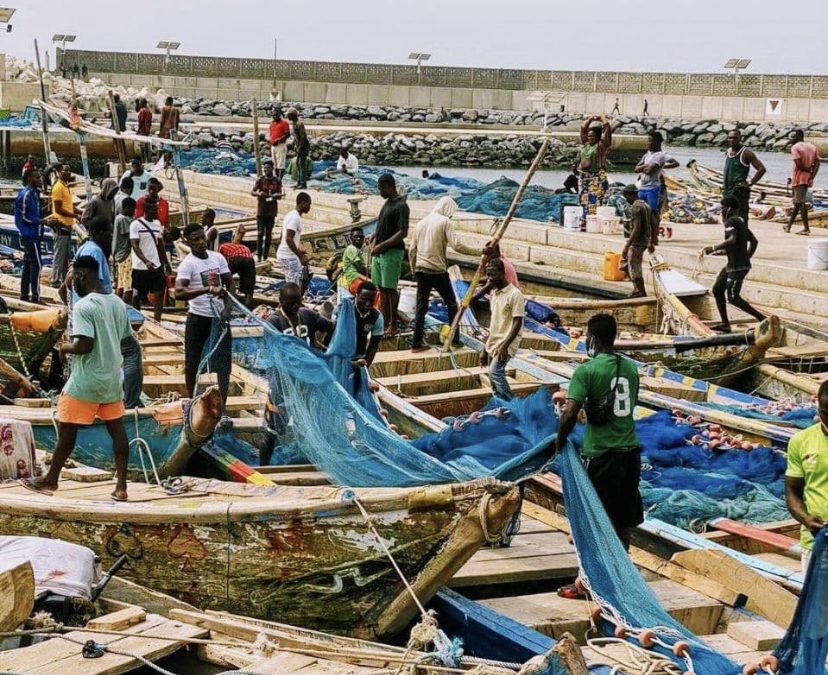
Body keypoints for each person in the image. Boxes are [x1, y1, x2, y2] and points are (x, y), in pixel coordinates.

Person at [20, 255, 131, 501]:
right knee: (117, 430)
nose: (72, 286)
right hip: (112, 377)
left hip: (85, 379)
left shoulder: (84, 306)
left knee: (67, 428)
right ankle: (121, 486)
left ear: (81, 275)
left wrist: (63, 348)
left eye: (72, 279)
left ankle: (51, 479)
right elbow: (124, 338)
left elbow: (84, 345)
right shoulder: (118, 303)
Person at [553, 313, 643, 597]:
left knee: (591, 521)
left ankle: (587, 583)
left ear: (592, 338)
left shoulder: (587, 371)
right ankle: (623, 577)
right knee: (621, 521)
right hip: (630, 455)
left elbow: (569, 413)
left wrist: (559, 441)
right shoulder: (629, 368)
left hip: (602, 456)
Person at [409, 196, 490, 351]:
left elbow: (412, 250)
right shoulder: (445, 222)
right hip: (437, 270)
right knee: (452, 304)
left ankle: (416, 344)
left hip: (421, 269)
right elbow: (457, 245)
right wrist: (480, 251)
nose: (452, 216)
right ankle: (454, 339)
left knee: (421, 307)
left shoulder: (421, 223)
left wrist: (414, 270)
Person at [175, 223, 234, 406]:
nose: (201, 242)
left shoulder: (217, 258)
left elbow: (230, 284)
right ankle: (194, 401)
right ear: (188, 242)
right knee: (192, 365)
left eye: (203, 238)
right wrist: (207, 289)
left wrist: (228, 308)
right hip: (198, 319)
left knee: (223, 365)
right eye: (196, 240)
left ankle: (222, 405)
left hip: (218, 319)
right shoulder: (188, 264)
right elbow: (179, 292)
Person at [785, 379, 828, 575]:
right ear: (818, 408)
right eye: (827, 413)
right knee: (817, 604)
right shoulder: (800, 442)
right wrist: (806, 519)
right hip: (816, 544)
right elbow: (793, 491)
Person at [702, 215, 765, 332]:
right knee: (717, 289)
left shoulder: (731, 222)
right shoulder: (741, 222)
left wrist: (713, 248)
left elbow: (732, 240)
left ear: (727, 208)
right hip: (733, 265)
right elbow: (754, 241)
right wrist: (746, 257)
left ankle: (762, 319)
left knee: (733, 297)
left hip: (737, 267)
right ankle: (725, 323)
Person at [478, 258, 524, 400]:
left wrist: (505, 346)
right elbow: (494, 323)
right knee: (493, 381)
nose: (490, 279)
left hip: (507, 341)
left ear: (503, 273)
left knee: (495, 372)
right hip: (494, 340)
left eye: (493, 275)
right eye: (488, 275)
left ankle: (513, 404)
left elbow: (517, 322)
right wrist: (485, 349)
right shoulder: (494, 294)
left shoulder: (515, 294)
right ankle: (502, 408)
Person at [371, 173, 409, 337]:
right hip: (380, 253)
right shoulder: (387, 203)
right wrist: (374, 236)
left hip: (391, 253)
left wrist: (382, 245)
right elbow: (384, 225)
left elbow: (403, 232)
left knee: (390, 289)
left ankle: (392, 325)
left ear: (387, 185)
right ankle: (384, 324)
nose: (379, 192)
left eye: (380, 188)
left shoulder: (401, 206)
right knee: (382, 288)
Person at [130, 198, 170, 322]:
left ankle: (157, 320)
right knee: (137, 295)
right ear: (146, 210)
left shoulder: (157, 224)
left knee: (159, 292)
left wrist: (166, 263)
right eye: (153, 210)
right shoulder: (136, 225)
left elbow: (160, 244)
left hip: (156, 264)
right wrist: (145, 261)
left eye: (157, 209)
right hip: (141, 267)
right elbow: (135, 245)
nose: (156, 212)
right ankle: (136, 318)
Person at [634, 131, 678, 238]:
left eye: (650, 141)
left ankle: (654, 236)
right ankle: (644, 234)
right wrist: (648, 166)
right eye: (647, 141)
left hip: (654, 187)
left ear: (657, 142)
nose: (647, 143)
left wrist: (661, 167)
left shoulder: (661, 155)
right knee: (641, 211)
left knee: (653, 212)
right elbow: (636, 169)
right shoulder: (647, 155)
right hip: (643, 187)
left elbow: (675, 163)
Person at [268, 282, 334, 348]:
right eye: (290, 303)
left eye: (298, 302)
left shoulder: (307, 314)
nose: (295, 306)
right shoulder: (275, 322)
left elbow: (331, 327)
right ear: (281, 300)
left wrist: (327, 347)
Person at [14, 168, 44, 304]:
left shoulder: (35, 194)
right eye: (38, 178)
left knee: (28, 264)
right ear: (31, 179)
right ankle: (36, 296)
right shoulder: (25, 195)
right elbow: (25, 216)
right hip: (29, 235)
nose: (41, 180)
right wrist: (42, 221)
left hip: (35, 234)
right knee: (37, 264)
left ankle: (24, 294)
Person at [722, 129, 766, 223]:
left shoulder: (746, 153)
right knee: (726, 218)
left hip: (740, 193)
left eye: (734, 138)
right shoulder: (727, 152)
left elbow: (761, 169)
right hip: (727, 191)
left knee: (741, 220)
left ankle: (743, 236)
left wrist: (750, 183)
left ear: (740, 139)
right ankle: (733, 237)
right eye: (730, 138)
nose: (732, 140)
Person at [50, 164, 82, 288]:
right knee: (59, 254)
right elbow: (58, 209)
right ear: (59, 172)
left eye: (69, 170)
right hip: (61, 224)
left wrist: (80, 212)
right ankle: (55, 279)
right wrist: (74, 215)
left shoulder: (66, 186)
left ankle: (63, 279)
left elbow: (69, 206)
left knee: (65, 255)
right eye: (65, 171)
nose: (68, 173)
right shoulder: (58, 187)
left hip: (68, 225)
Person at [785, 129, 820, 235]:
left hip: (799, 179)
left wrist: (807, 170)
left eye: (794, 137)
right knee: (797, 203)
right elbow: (817, 163)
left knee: (800, 203)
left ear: (798, 136)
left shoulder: (795, 147)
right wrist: (811, 176)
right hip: (806, 178)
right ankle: (788, 226)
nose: (792, 139)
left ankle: (806, 228)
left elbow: (798, 164)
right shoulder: (812, 147)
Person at [621, 185, 652, 298]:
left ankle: (642, 293)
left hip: (637, 242)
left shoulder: (636, 207)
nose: (626, 199)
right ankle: (636, 289)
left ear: (630, 195)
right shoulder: (645, 205)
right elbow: (652, 223)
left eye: (626, 197)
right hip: (643, 240)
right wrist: (651, 241)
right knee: (625, 265)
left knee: (635, 268)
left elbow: (636, 228)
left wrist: (627, 245)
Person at [577, 115, 612, 217]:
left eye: (592, 136)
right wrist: (590, 119)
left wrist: (602, 119)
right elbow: (583, 130)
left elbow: (607, 130)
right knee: (583, 199)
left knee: (595, 200)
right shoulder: (586, 144)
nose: (590, 138)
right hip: (584, 177)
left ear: (598, 137)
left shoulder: (601, 146)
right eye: (589, 136)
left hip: (596, 177)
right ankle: (584, 219)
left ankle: (593, 219)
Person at [277, 191, 311, 287]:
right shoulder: (295, 218)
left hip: (286, 254)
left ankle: (295, 298)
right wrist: (300, 256)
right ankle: (292, 300)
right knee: (293, 284)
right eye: (309, 204)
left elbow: (282, 237)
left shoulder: (290, 214)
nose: (309, 207)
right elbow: (288, 239)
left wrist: (299, 248)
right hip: (288, 256)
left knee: (304, 275)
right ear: (303, 203)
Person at [251, 160, 282, 261]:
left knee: (268, 235)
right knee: (260, 233)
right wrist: (258, 194)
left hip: (271, 211)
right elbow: (252, 191)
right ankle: (259, 256)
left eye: (268, 168)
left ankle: (265, 256)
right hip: (261, 210)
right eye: (264, 168)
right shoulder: (260, 180)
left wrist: (277, 196)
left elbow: (280, 195)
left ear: (272, 168)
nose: (266, 170)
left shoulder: (277, 181)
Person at [218, 225, 256, 306]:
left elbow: (221, 262)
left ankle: (224, 295)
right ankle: (247, 300)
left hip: (237, 258)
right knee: (249, 283)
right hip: (250, 259)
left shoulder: (222, 246)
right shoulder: (243, 247)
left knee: (224, 276)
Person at [353, 282, 384, 368]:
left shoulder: (377, 317)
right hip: (339, 357)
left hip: (359, 358)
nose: (368, 304)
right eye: (364, 299)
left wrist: (366, 365)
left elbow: (374, 345)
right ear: (357, 295)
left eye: (371, 301)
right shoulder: (343, 311)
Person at [113, 197, 135, 304]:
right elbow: (130, 235)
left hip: (119, 255)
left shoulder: (118, 218)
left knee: (120, 283)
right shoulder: (123, 219)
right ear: (127, 207)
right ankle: (126, 308)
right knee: (128, 286)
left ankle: (117, 305)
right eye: (133, 209)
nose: (133, 212)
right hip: (125, 254)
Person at [338, 227, 369, 299]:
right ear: (350, 238)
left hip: (357, 279)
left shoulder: (358, 250)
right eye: (356, 237)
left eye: (361, 237)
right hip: (354, 280)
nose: (358, 239)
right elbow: (360, 268)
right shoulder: (351, 248)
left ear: (363, 238)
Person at [286, 107, 310, 189]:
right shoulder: (294, 123)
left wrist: (299, 148)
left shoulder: (299, 124)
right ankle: (299, 182)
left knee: (301, 164)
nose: (287, 117)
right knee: (298, 164)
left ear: (293, 115)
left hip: (303, 147)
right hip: (298, 146)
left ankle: (303, 183)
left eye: (289, 115)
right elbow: (296, 136)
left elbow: (303, 137)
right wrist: (293, 144)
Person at [268, 108, 290, 179]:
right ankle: (277, 178)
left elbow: (287, 134)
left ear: (279, 115)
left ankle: (280, 180)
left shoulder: (284, 123)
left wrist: (279, 140)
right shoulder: (272, 123)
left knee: (281, 164)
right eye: (273, 115)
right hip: (273, 145)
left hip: (281, 145)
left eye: (276, 115)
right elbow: (271, 134)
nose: (274, 117)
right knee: (274, 164)